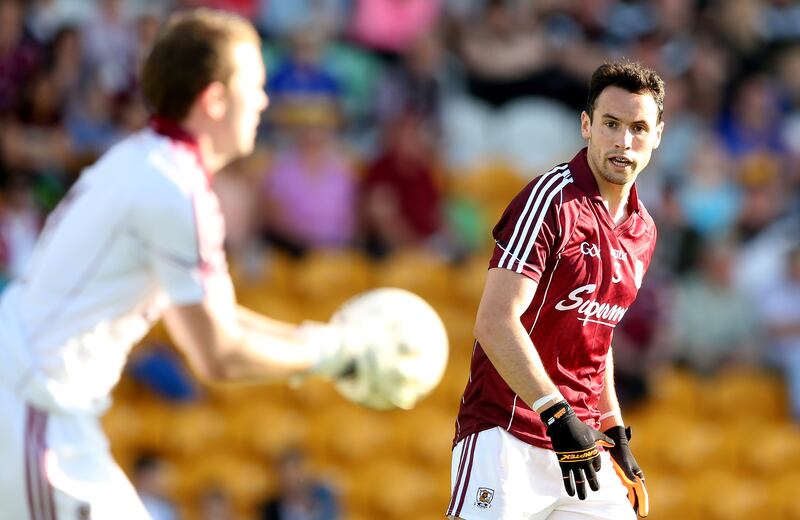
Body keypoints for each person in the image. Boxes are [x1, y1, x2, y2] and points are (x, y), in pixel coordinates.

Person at [0, 9, 359, 519]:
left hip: (37, 408)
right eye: (254, 85)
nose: (263, 101)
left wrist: (324, 342)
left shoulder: (148, 163)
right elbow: (217, 353)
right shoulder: (173, 188)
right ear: (214, 99)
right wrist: (332, 351)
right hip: (33, 414)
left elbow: (217, 324)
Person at [448, 61, 663, 519]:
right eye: (611, 124)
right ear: (587, 125)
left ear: (658, 135)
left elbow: (595, 336)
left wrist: (616, 431)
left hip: (581, 446)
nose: (624, 142)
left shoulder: (643, 231)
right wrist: (556, 414)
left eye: (638, 128)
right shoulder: (549, 200)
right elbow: (494, 320)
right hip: (506, 437)